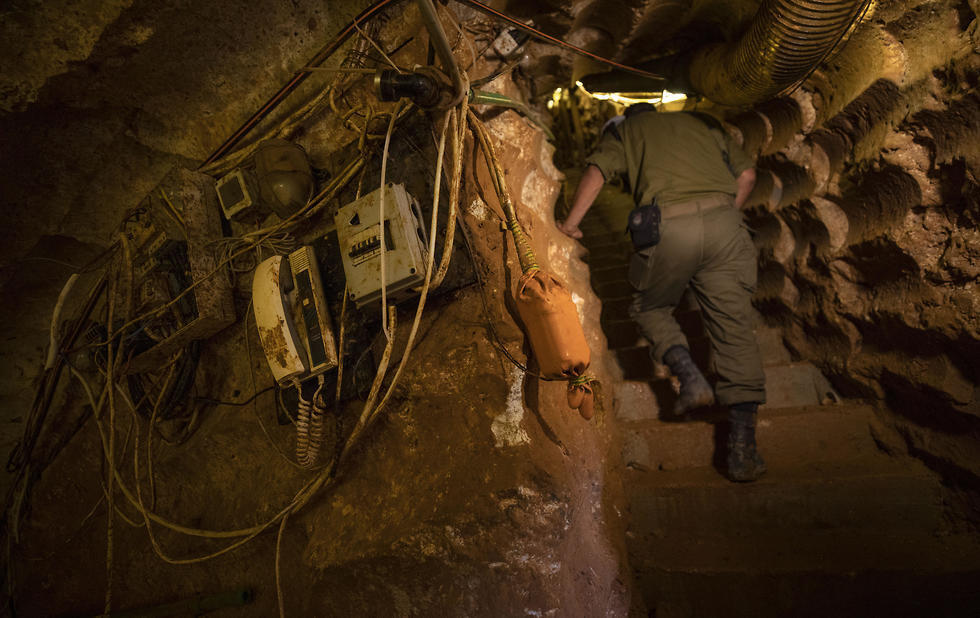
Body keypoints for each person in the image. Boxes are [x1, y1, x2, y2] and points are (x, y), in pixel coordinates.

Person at [557, 102, 766, 482]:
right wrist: (725, 213)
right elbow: (748, 175)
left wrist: (570, 224)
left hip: (669, 227)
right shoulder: (703, 121)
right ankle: (743, 447)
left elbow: (596, 171)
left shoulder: (625, 133)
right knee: (735, 328)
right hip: (726, 225)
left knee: (650, 308)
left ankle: (690, 378)